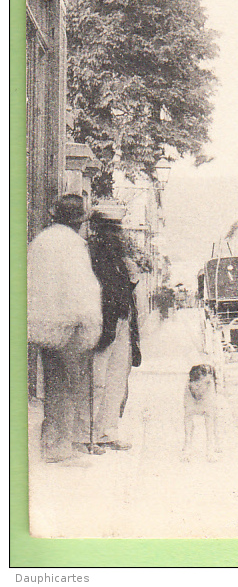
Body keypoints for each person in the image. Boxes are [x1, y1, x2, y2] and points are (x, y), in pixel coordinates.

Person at [27, 194, 102, 464]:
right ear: (78, 220)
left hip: (45, 326)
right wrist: (91, 324)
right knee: (70, 387)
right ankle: (61, 448)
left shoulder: (40, 241)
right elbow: (82, 289)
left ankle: (50, 444)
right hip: (70, 326)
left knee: (52, 386)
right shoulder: (73, 245)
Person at [88, 202, 141, 452]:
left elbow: (123, 293)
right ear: (97, 230)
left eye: (117, 230)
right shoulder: (91, 256)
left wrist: (133, 280)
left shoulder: (120, 259)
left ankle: (107, 433)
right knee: (96, 382)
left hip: (121, 325)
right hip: (102, 327)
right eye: (109, 229)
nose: (115, 235)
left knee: (117, 381)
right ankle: (87, 436)